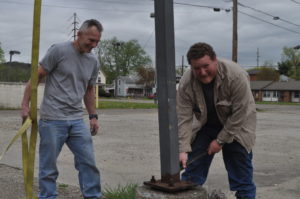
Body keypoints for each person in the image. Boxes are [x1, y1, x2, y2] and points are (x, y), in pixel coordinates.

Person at [21, 19, 103, 199]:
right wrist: (25, 105)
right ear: (79, 34)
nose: (94, 45)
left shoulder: (93, 61)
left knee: (88, 162)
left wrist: (93, 116)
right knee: (48, 167)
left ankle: (93, 196)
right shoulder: (59, 50)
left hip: (76, 119)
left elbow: (89, 90)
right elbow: (37, 76)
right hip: (52, 120)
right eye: (91, 40)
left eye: (97, 41)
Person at [177, 42, 256, 199]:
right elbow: (183, 117)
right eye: (197, 68)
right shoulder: (186, 82)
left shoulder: (236, 75)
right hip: (207, 126)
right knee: (192, 173)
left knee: (242, 178)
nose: (203, 72)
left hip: (238, 128)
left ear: (215, 60)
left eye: (206, 66)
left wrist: (220, 141)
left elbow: (241, 112)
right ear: (191, 67)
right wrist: (183, 149)